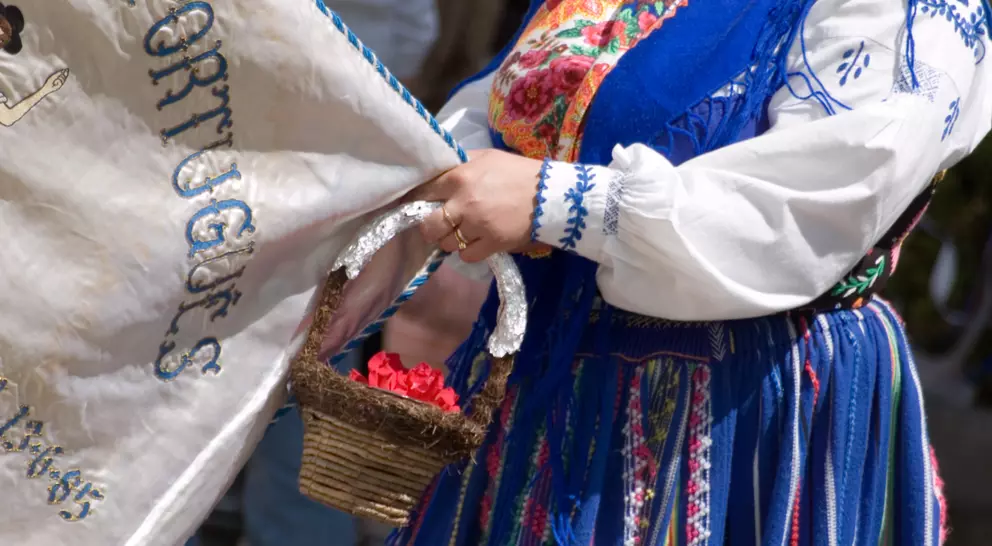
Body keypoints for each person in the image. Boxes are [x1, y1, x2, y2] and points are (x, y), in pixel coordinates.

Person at [386, 0, 992, 544]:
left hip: (742, 402)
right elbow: (519, 90)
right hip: (539, 379)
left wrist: (557, 202)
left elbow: (814, 200)